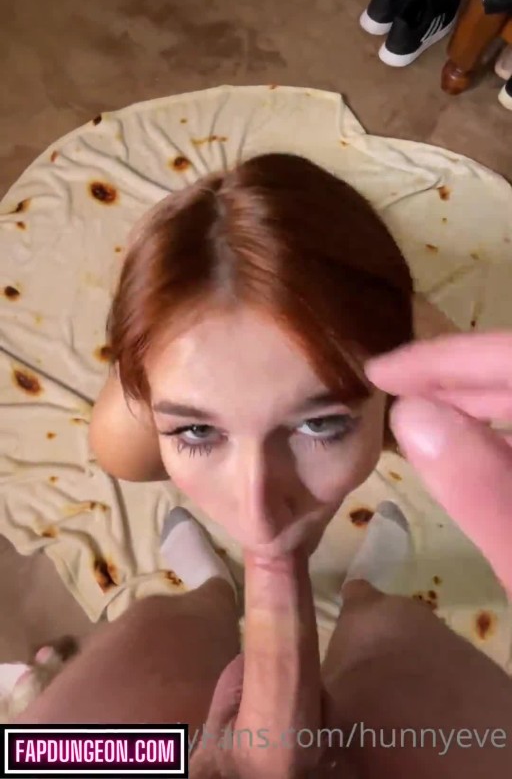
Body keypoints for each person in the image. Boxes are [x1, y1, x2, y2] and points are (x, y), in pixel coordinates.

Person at [19, 155, 512, 775]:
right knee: (405, 651)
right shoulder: (126, 439)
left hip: (154, 757)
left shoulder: (423, 382)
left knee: (49, 747)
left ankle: (353, 596)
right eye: (198, 430)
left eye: (321, 423)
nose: (258, 519)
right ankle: (221, 592)